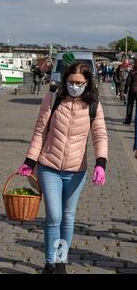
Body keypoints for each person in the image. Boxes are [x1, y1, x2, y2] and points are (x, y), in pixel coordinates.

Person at [17, 62, 108, 274]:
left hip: (76, 170)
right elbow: (40, 130)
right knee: (54, 216)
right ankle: (50, 263)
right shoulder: (52, 99)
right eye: (71, 82)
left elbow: (100, 135)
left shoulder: (93, 104)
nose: (74, 86)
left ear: (87, 83)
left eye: (79, 83)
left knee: (68, 217)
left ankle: (60, 261)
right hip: (49, 165)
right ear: (65, 80)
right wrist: (30, 161)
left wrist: (101, 163)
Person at [123, 60, 137, 125]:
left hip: (132, 91)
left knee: (130, 106)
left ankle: (128, 121)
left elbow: (127, 83)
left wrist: (125, 91)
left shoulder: (132, 72)